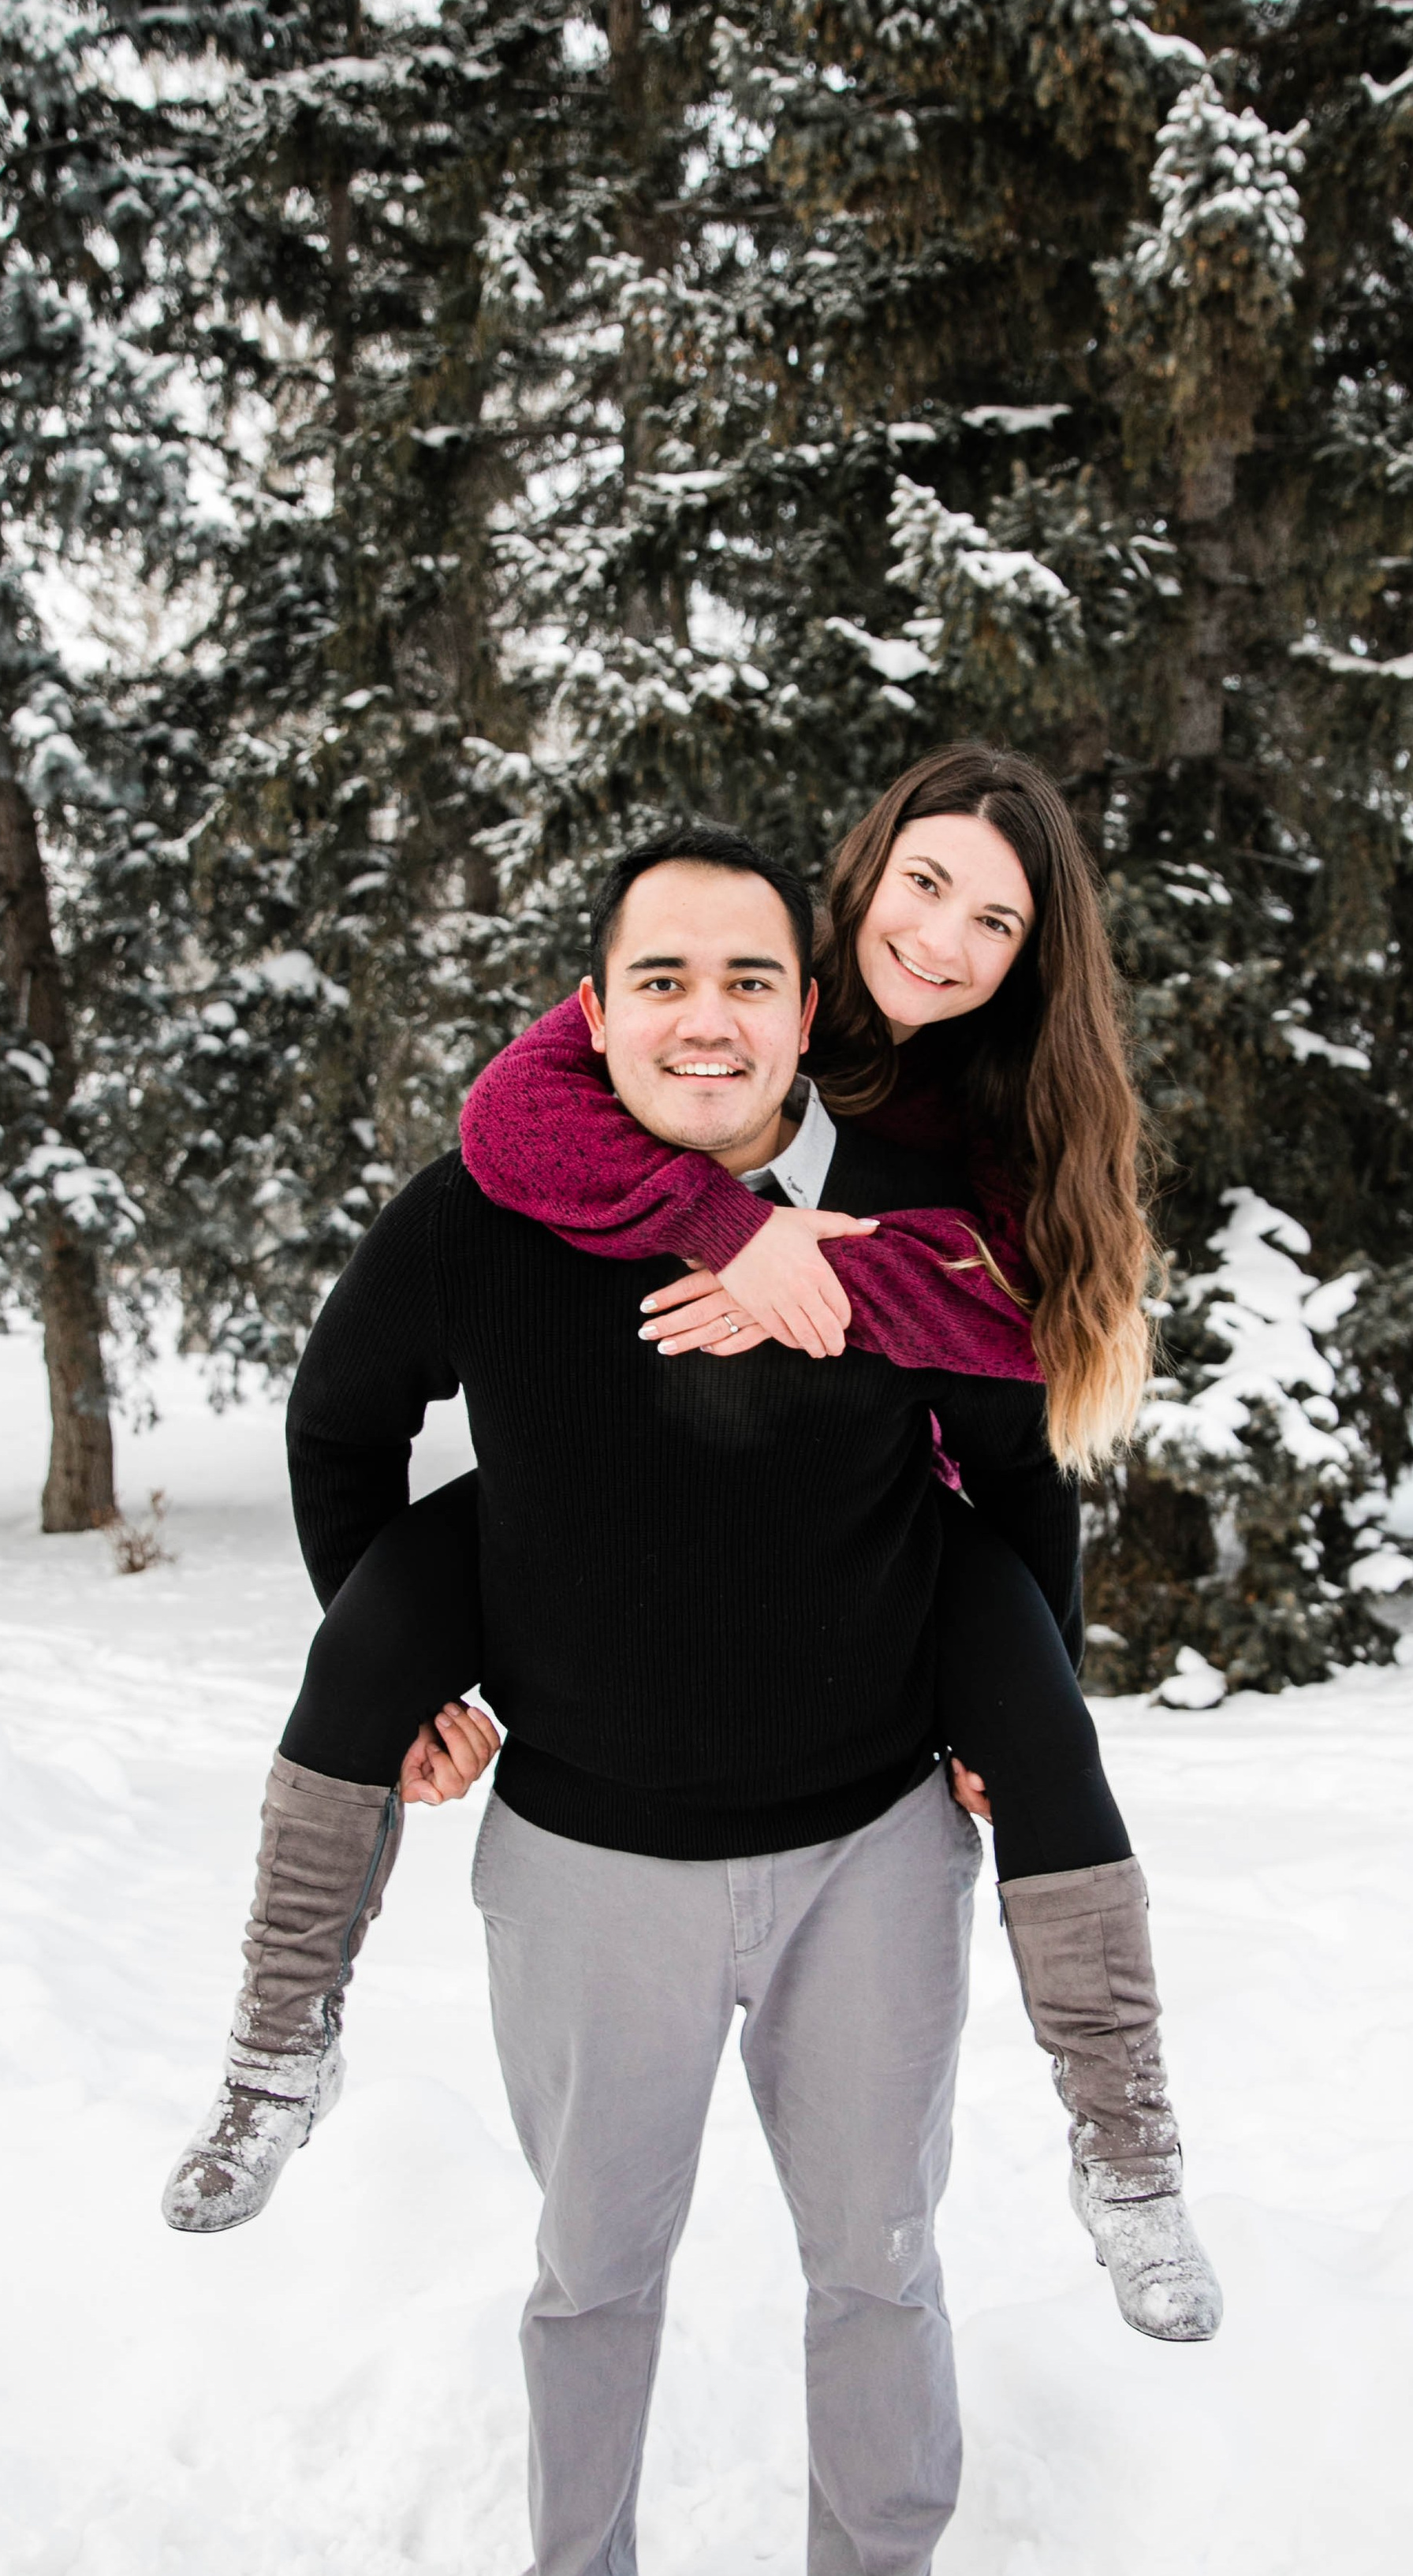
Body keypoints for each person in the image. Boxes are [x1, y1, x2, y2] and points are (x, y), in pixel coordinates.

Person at [179, 829, 1086, 2576]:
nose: (705, 1013)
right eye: (659, 977)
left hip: (868, 1846)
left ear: (805, 1009)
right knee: (593, 2268)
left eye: (747, 978)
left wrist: (1021, 1714)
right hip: (587, 1859)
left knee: (875, 2260)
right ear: (594, 1012)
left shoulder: (899, 1229)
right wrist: (398, 1659)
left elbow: (1019, 1482)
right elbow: (343, 1427)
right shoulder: (489, 1211)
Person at [164, 751, 1220, 2350]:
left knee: (1038, 1700)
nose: (939, 941)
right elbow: (509, 1120)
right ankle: (273, 2051)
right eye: (922, 886)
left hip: (847, 1530)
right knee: (375, 1627)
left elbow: (1008, 1364)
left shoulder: (989, 1116)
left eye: (992, 922)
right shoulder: (705, 971)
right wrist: (730, 1225)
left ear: (1027, 962)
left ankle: (1129, 2155)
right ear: (850, 885)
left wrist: (846, 1282)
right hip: (579, 1506)